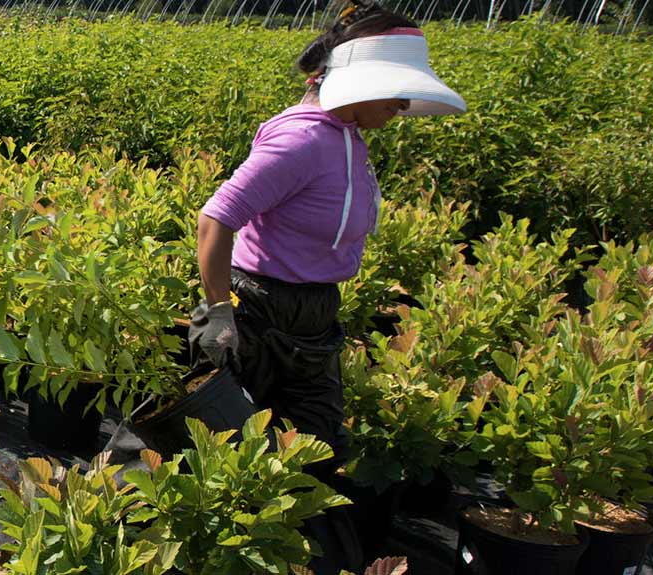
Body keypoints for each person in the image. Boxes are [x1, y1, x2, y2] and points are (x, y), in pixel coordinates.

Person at [187, 0, 465, 572]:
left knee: (312, 450)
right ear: (357, 84)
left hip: (312, 315)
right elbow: (216, 219)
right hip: (259, 310)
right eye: (393, 94)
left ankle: (283, 553)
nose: (400, 107)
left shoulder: (347, 136)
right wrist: (219, 313)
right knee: (221, 445)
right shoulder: (303, 142)